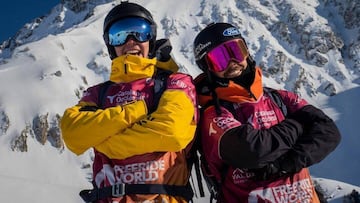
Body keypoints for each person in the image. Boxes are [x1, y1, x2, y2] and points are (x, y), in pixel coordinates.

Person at [60, 2, 198, 203]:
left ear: (151, 38)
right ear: (110, 45)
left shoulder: (174, 82)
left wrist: (101, 138)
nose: (130, 41)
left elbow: (171, 132)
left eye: (139, 32)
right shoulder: (98, 93)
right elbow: (73, 134)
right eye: (119, 34)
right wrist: (140, 110)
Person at [192, 22, 341, 203]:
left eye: (236, 51)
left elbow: (328, 131)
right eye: (220, 59)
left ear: (247, 51)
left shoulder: (279, 98)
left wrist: (287, 163)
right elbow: (251, 149)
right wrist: (298, 125)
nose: (232, 62)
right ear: (207, 68)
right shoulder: (214, 114)